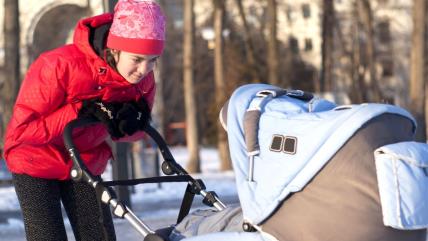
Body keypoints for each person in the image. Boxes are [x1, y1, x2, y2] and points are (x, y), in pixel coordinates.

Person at [2, 0, 166, 240]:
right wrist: (80, 110)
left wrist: (130, 124)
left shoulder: (143, 81)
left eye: (153, 60)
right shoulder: (58, 66)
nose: (144, 70)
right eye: (137, 59)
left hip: (84, 160)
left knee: (98, 235)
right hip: (35, 160)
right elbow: (22, 132)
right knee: (47, 235)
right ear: (115, 49)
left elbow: (132, 133)